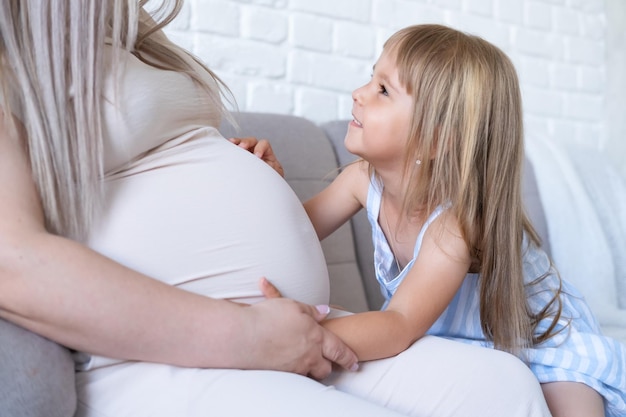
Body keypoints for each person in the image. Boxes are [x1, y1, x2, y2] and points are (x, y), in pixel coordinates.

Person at [0, 2, 553, 416]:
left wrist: (256, 189)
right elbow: (12, 262)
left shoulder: (115, 28)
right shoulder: (14, 46)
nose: (359, 93)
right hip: (181, 343)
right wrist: (246, 333)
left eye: (384, 89)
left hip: (286, 323)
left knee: (503, 388)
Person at [289, 24, 625, 417]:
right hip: (451, 336)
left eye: (383, 90)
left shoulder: (454, 225)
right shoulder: (359, 182)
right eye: (371, 76)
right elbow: (288, 233)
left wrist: (305, 334)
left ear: (435, 140)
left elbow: (399, 324)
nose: (359, 94)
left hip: (540, 335)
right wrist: (267, 177)